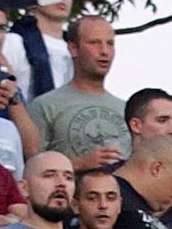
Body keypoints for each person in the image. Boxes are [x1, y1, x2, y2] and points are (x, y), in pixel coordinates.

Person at [24, 12, 125, 164]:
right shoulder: (45, 106)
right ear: (73, 48)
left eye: (110, 44)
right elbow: (33, 166)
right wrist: (81, 164)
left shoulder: (126, 109)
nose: (104, 51)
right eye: (94, 43)